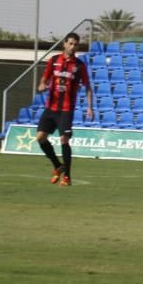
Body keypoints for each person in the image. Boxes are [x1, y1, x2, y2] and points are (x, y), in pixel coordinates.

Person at [35, 32, 94, 186]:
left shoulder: (79, 65)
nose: (73, 47)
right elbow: (45, 78)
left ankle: (67, 176)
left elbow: (88, 87)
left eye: (76, 45)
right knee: (40, 138)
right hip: (51, 107)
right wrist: (42, 84)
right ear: (64, 44)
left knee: (64, 139)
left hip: (66, 109)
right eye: (71, 44)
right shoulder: (54, 61)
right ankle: (58, 165)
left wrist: (90, 108)